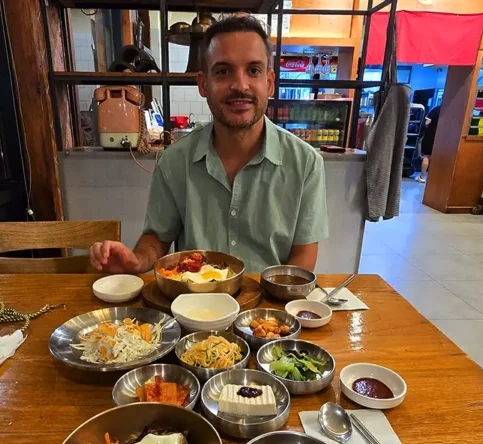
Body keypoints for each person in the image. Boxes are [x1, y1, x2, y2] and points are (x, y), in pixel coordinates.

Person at [89, 15, 328, 274]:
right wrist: (135, 261)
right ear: (203, 84)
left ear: (269, 82)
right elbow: (156, 240)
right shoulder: (174, 160)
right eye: (223, 71)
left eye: (253, 70)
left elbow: (304, 255)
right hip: (192, 306)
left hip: (267, 308)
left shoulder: (305, 162)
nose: (240, 85)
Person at [416, 105, 440, 183]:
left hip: (431, 136)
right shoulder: (452, 111)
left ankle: (422, 177)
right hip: (443, 138)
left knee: (426, 156)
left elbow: (427, 122)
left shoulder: (436, 109)